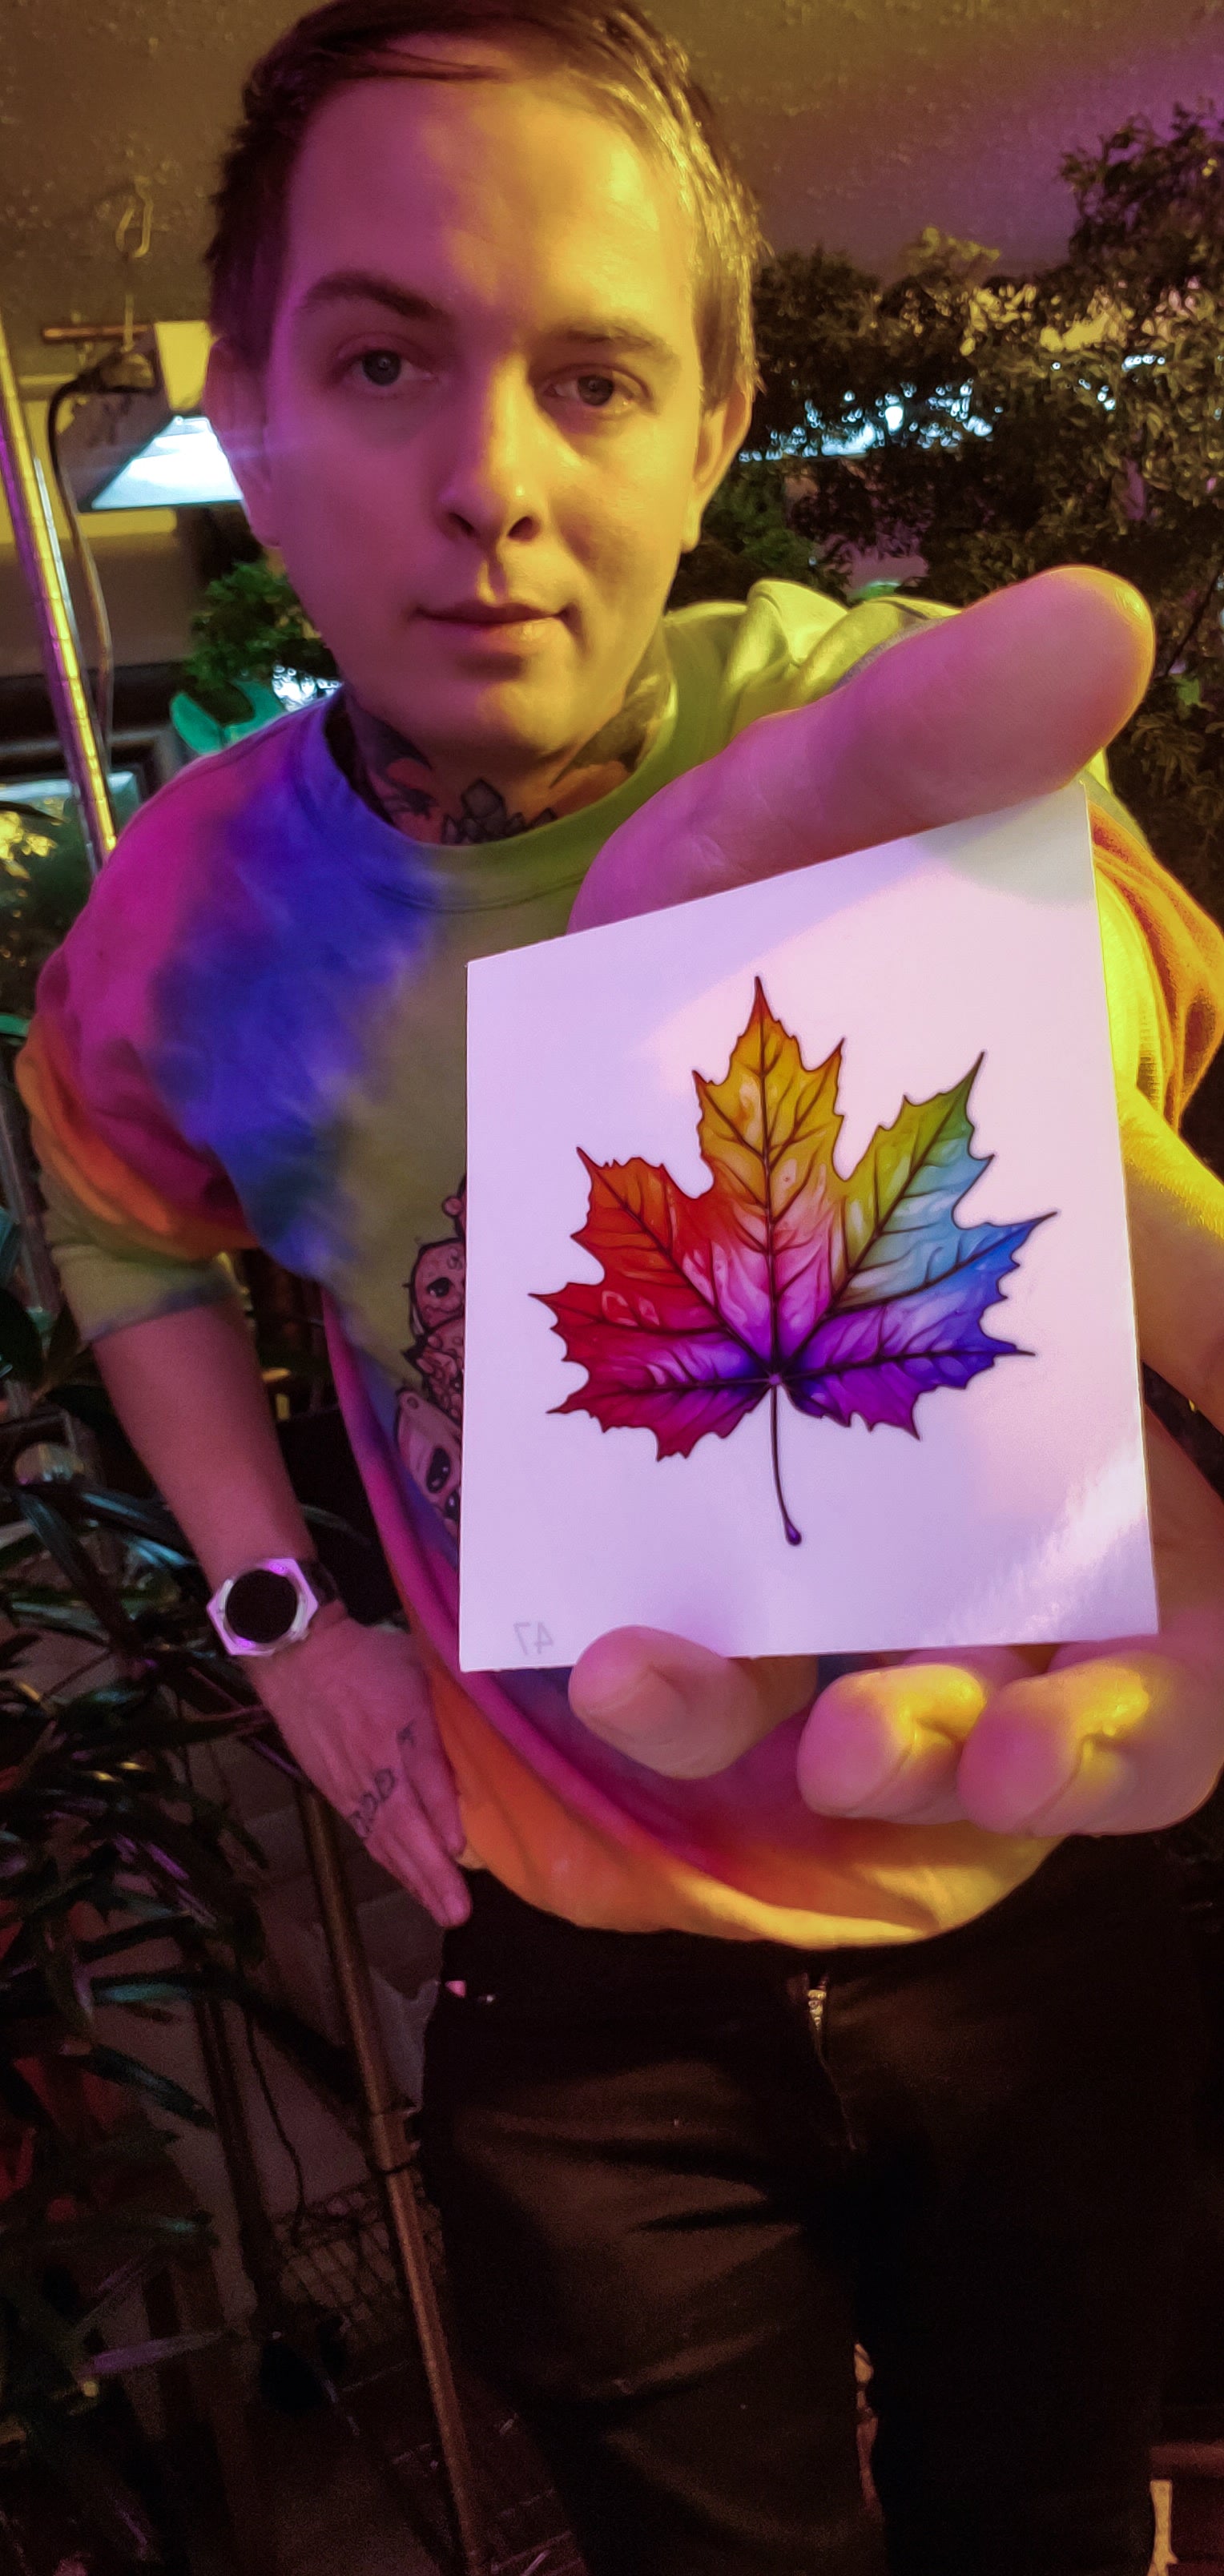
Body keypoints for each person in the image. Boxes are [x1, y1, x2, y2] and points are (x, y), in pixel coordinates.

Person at [17, 4, 1224, 2567]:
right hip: (581, 1981)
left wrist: (1025, 1024)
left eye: (593, 377)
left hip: (1017, 1892)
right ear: (243, 409)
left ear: (713, 420)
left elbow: (1107, 929)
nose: (490, 484)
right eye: (381, 361)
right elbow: (116, 1209)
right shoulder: (197, 915)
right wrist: (276, 1611)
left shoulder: (837, 717)